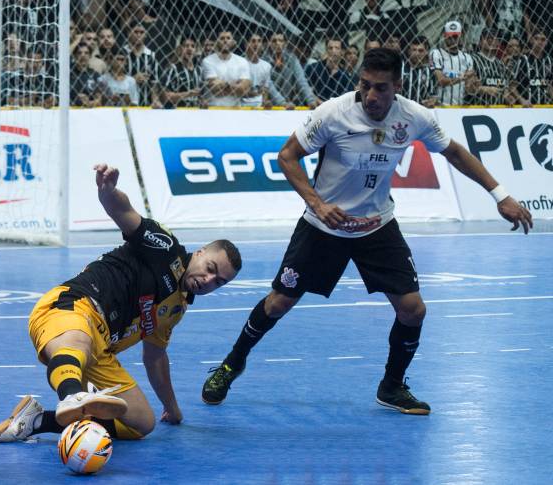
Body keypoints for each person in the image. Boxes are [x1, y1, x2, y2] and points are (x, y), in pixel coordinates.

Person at [201, 47, 533, 415]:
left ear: (398, 86)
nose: (371, 96)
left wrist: (500, 195)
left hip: (377, 226)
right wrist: (317, 203)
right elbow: (287, 156)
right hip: (323, 227)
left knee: (413, 310)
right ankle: (232, 364)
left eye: (381, 88)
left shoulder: (415, 117)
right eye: (365, 85)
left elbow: (454, 153)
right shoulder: (333, 113)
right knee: (279, 302)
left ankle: (391, 387)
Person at [0, 164, 242, 443]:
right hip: (73, 307)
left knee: (141, 422)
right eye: (210, 267)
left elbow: (154, 358)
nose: (209, 280)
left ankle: (37, 420)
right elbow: (125, 213)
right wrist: (108, 192)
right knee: (78, 343)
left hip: (102, 350)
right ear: (201, 252)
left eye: (219, 281)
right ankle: (72, 397)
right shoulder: (166, 248)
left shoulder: (176, 308)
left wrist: (172, 407)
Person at [430, 20, 475, 106]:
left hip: (460, 107)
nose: (452, 40)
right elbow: (441, 81)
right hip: (440, 106)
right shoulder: (436, 54)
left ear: (461, 36)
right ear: (444, 36)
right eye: (449, 37)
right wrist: (462, 77)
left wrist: (473, 80)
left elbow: (470, 89)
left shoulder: (467, 57)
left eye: (455, 37)